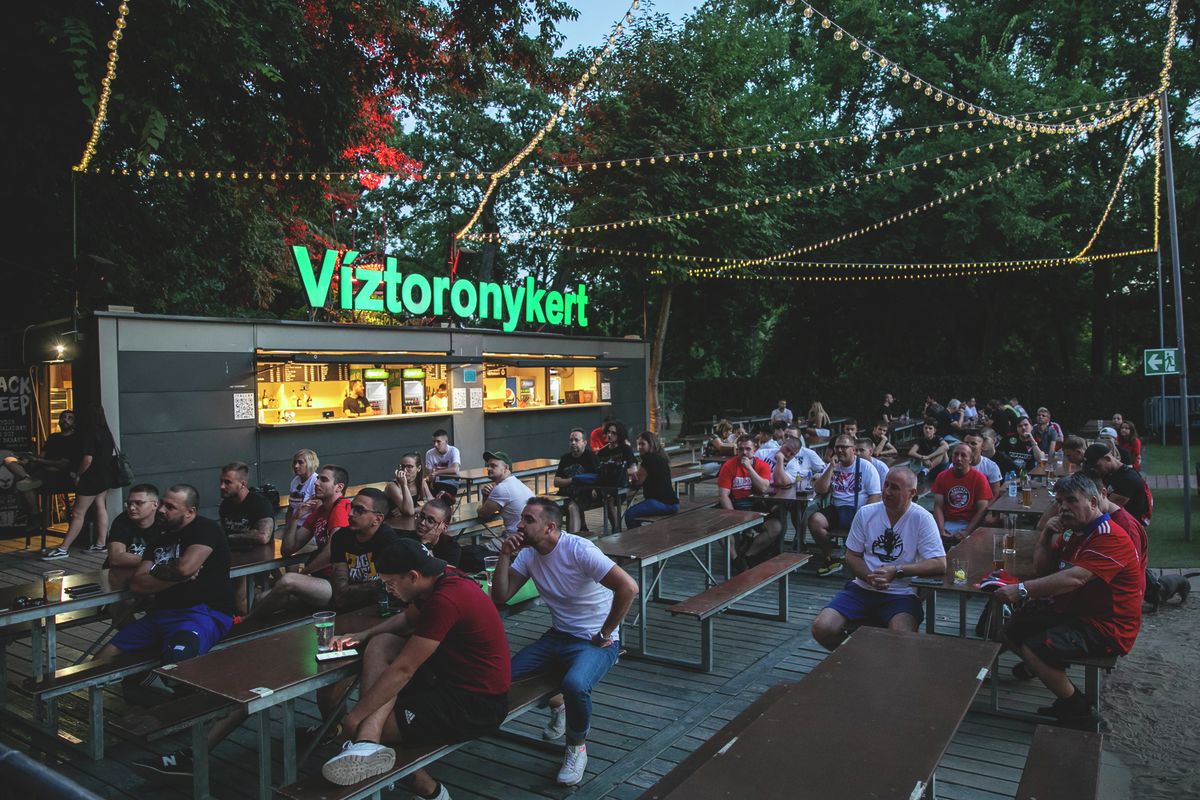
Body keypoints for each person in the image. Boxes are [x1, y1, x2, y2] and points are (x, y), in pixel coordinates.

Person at [318, 539, 511, 794]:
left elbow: (404, 670)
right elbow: (408, 618)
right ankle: (367, 742)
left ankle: (431, 790)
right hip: (448, 679)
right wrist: (363, 634)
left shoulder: (446, 599)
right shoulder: (441, 578)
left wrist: (354, 717)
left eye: (390, 583)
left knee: (376, 721)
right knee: (381, 643)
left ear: (412, 576)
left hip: (477, 702)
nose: (388, 591)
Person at [492, 498, 639, 785]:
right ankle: (558, 704)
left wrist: (606, 633)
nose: (519, 524)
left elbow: (628, 587)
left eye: (528, 520)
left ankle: (576, 747)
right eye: (521, 518)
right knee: (502, 677)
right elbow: (501, 596)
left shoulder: (578, 549)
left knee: (575, 684)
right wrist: (504, 557)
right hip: (558, 636)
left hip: (596, 641)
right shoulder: (528, 554)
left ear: (549, 527)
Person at [995, 473, 1142, 728]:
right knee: (1012, 629)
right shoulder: (1075, 532)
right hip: (1075, 611)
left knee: (1035, 647)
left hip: (1107, 626)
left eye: (1072, 501)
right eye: (1061, 502)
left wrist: (1021, 590)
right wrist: (1044, 536)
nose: (1064, 508)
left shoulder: (1109, 536)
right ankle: (1061, 687)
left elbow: (1074, 579)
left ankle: (1080, 710)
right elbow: (1044, 570)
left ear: (1094, 502)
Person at [98, 484, 233, 723]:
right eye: (162, 504)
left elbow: (185, 567)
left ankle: (192, 714)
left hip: (202, 613)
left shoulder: (205, 528)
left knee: (178, 659)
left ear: (190, 512)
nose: (162, 510)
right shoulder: (160, 540)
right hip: (161, 615)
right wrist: (175, 576)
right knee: (103, 657)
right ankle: (159, 701)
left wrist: (167, 573)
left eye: (170, 507)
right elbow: (138, 584)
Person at [810, 467, 946, 650]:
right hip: (861, 589)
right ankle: (855, 657)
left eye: (895, 488)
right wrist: (869, 577)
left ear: (912, 493)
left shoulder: (922, 518)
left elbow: (939, 563)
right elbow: (852, 555)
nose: (887, 491)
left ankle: (879, 666)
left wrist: (897, 571)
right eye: (886, 485)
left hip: (901, 594)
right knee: (822, 628)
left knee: (901, 638)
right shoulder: (866, 513)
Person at [242, 465, 353, 621]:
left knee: (288, 580)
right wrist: (295, 518)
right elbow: (288, 549)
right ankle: (253, 633)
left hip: (336, 584)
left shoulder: (341, 508)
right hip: (319, 581)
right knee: (261, 599)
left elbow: (332, 551)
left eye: (324, 480)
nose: (316, 483)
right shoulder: (320, 512)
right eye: (318, 478)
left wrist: (303, 573)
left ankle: (245, 622)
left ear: (339, 487)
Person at [44, 404, 117, 558]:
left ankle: (63, 548)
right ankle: (101, 543)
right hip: (105, 475)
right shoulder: (106, 432)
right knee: (100, 507)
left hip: (91, 477)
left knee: (78, 513)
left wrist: (78, 474)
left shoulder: (90, 434)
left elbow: (87, 460)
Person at [808, 433, 882, 577]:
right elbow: (820, 489)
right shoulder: (834, 466)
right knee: (814, 521)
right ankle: (832, 557)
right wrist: (830, 468)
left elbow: (875, 495)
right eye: (837, 447)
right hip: (837, 509)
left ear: (853, 450)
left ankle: (863, 563)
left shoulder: (866, 467)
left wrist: (863, 516)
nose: (840, 450)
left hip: (859, 510)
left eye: (844, 447)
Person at [327, 487, 403, 610]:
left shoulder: (388, 540)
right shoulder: (340, 537)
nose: (351, 514)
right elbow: (340, 594)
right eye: (352, 508)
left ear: (377, 519)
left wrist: (353, 590)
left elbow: (397, 587)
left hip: (380, 607)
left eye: (359, 510)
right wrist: (379, 586)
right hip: (347, 609)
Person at [931, 443, 994, 547]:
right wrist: (940, 529)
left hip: (969, 523)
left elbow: (982, 509)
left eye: (963, 455)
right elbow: (938, 506)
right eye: (956, 454)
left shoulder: (979, 478)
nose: (958, 458)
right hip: (948, 522)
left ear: (970, 459)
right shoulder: (942, 476)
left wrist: (967, 531)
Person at [475, 451, 534, 552]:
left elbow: (482, 513)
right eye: (488, 466)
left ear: (506, 468)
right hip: (529, 538)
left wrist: (485, 496)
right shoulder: (515, 482)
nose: (488, 469)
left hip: (516, 540)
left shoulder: (502, 488)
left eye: (493, 466)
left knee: (473, 552)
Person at [1083, 444, 1150, 523]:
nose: (1095, 470)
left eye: (1096, 466)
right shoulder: (1111, 473)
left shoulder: (1128, 479)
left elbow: (1104, 508)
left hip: (1128, 526)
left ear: (1107, 458)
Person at [625, 431, 679, 528]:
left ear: (651, 444)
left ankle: (636, 540)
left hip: (662, 503)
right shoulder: (662, 458)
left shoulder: (648, 460)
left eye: (642, 444)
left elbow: (637, 483)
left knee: (630, 514)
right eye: (638, 444)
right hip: (672, 503)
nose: (639, 447)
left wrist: (632, 477)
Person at [218, 462, 276, 547]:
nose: (222, 486)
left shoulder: (259, 503)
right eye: (221, 481)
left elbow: (263, 537)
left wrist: (229, 537)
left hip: (259, 557)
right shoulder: (225, 504)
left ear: (243, 484)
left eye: (228, 482)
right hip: (234, 555)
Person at [105, 484, 163, 569]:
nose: (131, 508)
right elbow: (115, 558)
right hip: (120, 572)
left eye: (139, 503)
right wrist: (155, 561)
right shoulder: (122, 520)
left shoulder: (164, 520)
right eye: (128, 503)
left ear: (155, 505)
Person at [554, 428, 601, 533]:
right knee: (549, 508)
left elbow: (598, 477)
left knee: (573, 506)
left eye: (576, 440)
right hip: (565, 494)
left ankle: (573, 537)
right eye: (571, 440)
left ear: (584, 442)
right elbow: (556, 482)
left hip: (584, 494)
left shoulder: (591, 457)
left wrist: (594, 489)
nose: (573, 443)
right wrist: (573, 480)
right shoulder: (565, 458)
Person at [596, 421, 638, 531]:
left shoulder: (625, 449)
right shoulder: (602, 452)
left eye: (613, 433)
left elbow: (633, 469)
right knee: (606, 496)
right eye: (608, 432)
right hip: (606, 485)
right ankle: (616, 528)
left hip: (621, 484)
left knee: (609, 498)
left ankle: (616, 529)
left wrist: (617, 472)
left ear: (619, 435)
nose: (609, 435)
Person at [403, 497, 461, 567]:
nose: (422, 522)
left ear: (444, 527)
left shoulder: (451, 547)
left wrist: (426, 543)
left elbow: (444, 574)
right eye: (421, 516)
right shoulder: (406, 540)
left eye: (430, 521)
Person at [385, 452, 433, 529]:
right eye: (403, 467)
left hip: (410, 525)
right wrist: (404, 485)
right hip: (393, 527)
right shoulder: (393, 486)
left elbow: (432, 503)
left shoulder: (420, 482)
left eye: (409, 467)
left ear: (419, 468)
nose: (405, 470)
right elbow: (409, 511)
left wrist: (416, 509)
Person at [962, 431, 1004, 496]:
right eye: (966, 443)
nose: (968, 446)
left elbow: (995, 494)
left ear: (982, 446)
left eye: (973, 443)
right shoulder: (956, 464)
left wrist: (983, 506)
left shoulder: (991, 466)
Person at [424, 429, 462, 499]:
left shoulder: (454, 450)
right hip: (436, 482)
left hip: (452, 482)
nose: (435, 444)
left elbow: (454, 470)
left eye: (438, 442)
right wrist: (431, 478)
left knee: (440, 496)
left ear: (446, 442)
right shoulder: (429, 453)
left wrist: (437, 472)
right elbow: (430, 474)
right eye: (434, 442)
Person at [286, 449, 320, 526]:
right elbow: (290, 509)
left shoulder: (316, 481)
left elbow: (316, 513)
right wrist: (287, 526)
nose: (296, 466)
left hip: (306, 527)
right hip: (293, 524)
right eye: (294, 462)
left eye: (300, 462)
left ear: (310, 464)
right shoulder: (295, 480)